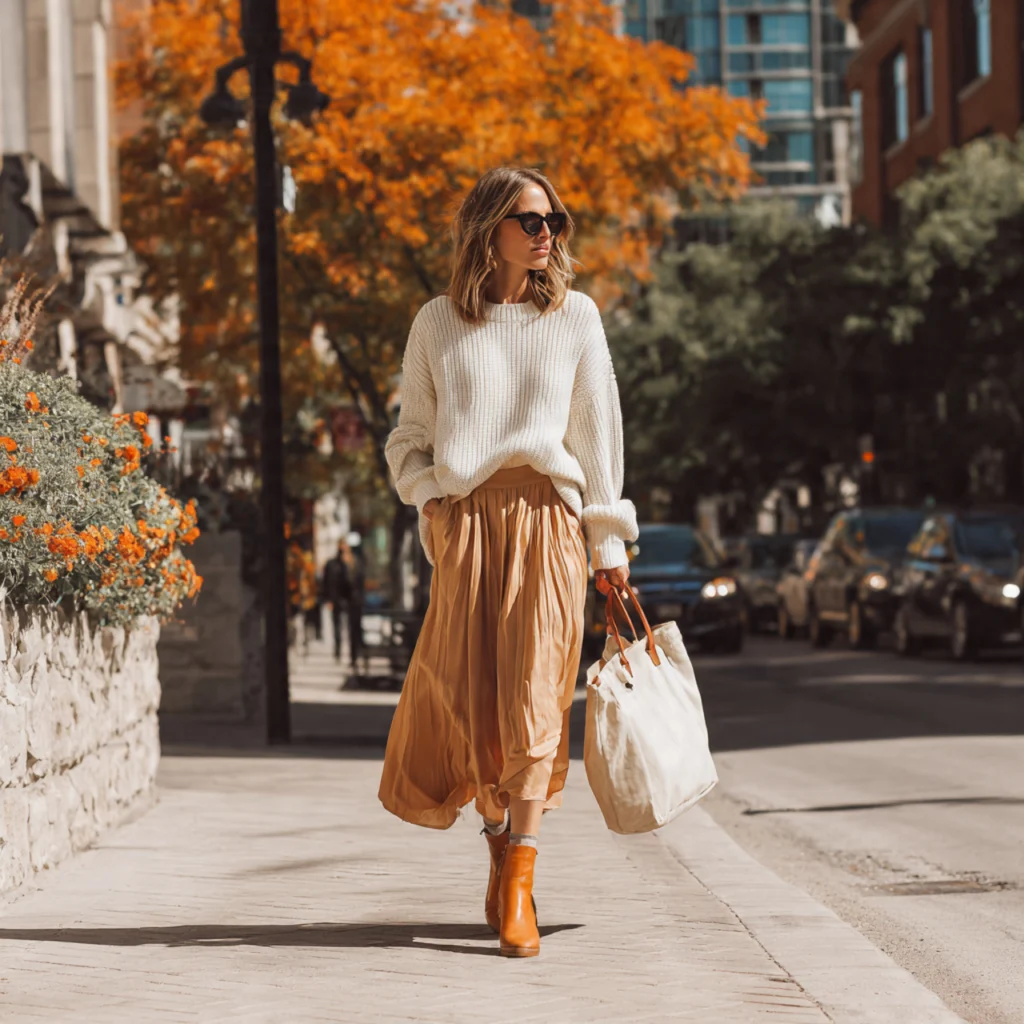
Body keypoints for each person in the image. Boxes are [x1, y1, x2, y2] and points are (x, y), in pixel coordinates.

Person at [379, 167, 635, 958]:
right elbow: (407, 440)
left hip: (550, 525)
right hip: (467, 527)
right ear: (487, 228)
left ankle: (521, 876)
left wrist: (609, 544)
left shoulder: (577, 317)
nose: (547, 233)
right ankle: (497, 845)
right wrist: (429, 501)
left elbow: (597, 441)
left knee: (533, 701)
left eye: (554, 219)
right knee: (469, 702)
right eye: (531, 220)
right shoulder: (437, 323)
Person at [322, 540, 352, 662]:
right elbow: (326, 583)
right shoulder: (331, 564)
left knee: (349, 626)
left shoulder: (349, 564)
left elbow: (351, 583)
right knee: (337, 627)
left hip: (347, 600)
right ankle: (338, 651)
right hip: (335, 600)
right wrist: (328, 599)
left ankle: (352, 654)